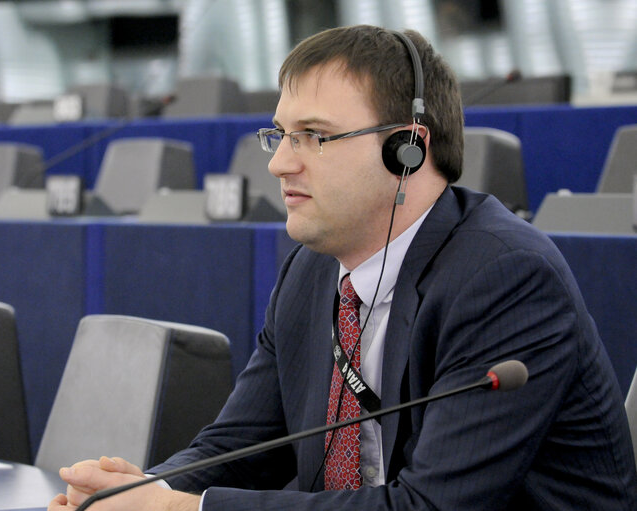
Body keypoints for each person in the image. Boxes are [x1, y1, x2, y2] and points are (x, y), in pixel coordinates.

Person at [49, 25, 637, 511]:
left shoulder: (506, 278)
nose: (279, 163)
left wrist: (180, 509)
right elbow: (243, 445)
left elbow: (433, 508)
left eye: (312, 136)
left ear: (407, 150)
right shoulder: (310, 272)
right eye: (280, 135)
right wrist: (136, 491)